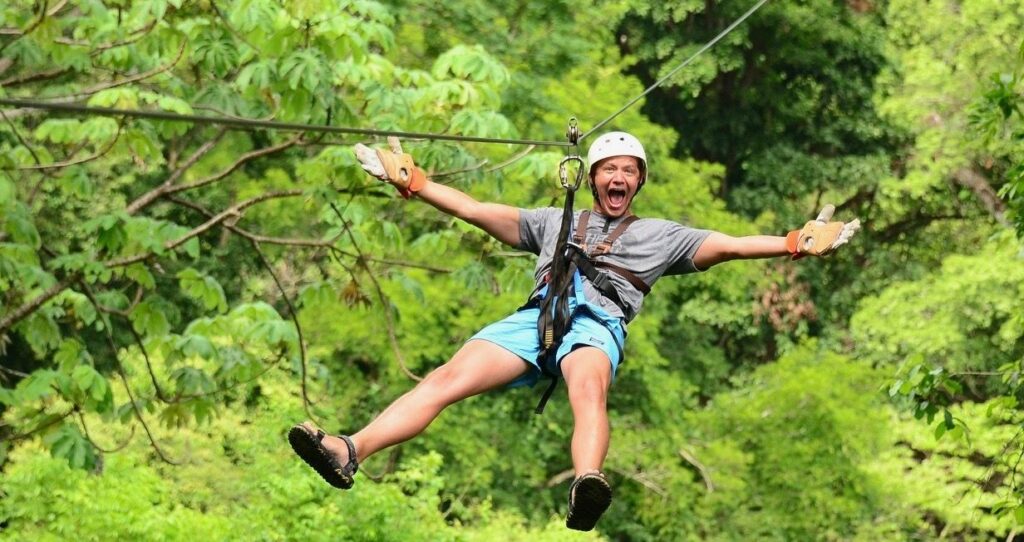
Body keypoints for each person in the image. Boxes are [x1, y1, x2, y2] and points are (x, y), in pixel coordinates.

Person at [288, 132, 860, 531]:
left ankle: (589, 481)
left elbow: (731, 245)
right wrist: (414, 182)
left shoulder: (663, 236)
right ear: (592, 180)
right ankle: (349, 450)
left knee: (588, 390)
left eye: (628, 172)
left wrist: (790, 242)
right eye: (610, 170)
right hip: (536, 321)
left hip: (596, 323)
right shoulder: (551, 222)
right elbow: (473, 208)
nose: (618, 177)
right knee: (445, 378)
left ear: (638, 183)